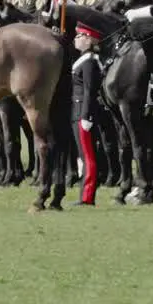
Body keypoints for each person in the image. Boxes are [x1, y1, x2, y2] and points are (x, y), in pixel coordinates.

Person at [71, 20, 104, 207]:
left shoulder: (90, 62)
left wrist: (86, 116)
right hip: (76, 112)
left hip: (83, 113)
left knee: (88, 157)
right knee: (82, 157)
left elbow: (89, 91)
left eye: (80, 36)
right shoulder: (82, 60)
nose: (76, 39)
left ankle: (87, 196)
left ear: (89, 39)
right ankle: (84, 193)